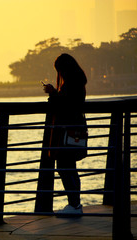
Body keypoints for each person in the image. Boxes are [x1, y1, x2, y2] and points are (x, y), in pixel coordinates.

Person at [43, 53, 88, 215]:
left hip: (66, 131)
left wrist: (53, 93)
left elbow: (65, 103)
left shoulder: (70, 84)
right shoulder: (79, 82)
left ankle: (74, 204)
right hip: (74, 129)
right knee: (70, 167)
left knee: (64, 167)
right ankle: (75, 204)